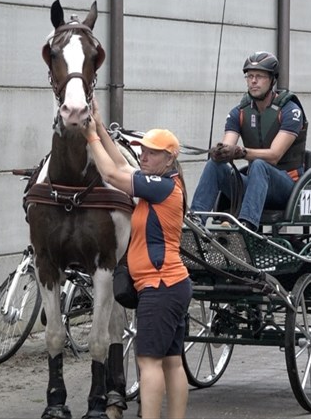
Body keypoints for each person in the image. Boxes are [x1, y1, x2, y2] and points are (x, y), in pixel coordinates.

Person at [80, 100, 192, 419]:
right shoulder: (160, 183)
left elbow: (113, 174)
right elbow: (124, 167)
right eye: (142, 149)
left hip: (160, 286)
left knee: (149, 362)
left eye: (152, 152)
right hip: (172, 286)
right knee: (171, 361)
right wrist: (100, 126)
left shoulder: (162, 187)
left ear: (169, 158)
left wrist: (90, 138)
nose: (144, 155)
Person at [190, 51, 307, 231]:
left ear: (272, 80)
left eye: (259, 76)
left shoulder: (290, 110)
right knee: (215, 164)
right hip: (254, 184)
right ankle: (196, 223)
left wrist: (241, 152)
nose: (253, 81)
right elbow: (229, 144)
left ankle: (246, 228)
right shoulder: (240, 112)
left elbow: (275, 155)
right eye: (250, 76)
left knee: (259, 164)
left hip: (287, 188)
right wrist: (221, 152)